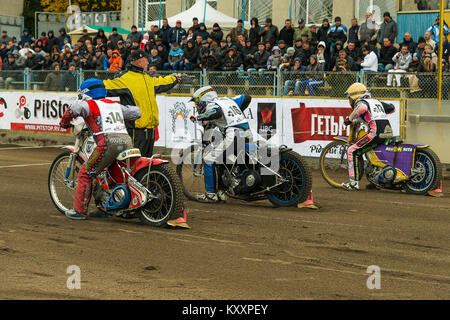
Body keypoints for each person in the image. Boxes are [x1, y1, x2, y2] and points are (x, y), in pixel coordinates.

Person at [59, 78, 141, 219]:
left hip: (108, 143)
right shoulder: (114, 104)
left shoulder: (88, 104)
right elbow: (136, 112)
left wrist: (64, 122)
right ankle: (110, 207)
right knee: (114, 176)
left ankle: (79, 211)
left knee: (85, 172)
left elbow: (74, 109)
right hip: (126, 141)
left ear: (86, 92)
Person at [104, 49, 181, 157]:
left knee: (146, 163)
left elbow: (163, 81)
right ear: (139, 62)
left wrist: (175, 78)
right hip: (136, 131)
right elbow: (106, 86)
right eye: (146, 60)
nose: (148, 63)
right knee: (135, 163)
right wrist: (89, 86)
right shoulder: (125, 79)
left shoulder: (148, 78)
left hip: (150, 131)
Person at [188, 86, 252, 202]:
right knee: (224, 159)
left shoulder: (212, 104)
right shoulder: (227, 100)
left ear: (204, 99)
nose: (197, 106)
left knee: (208, 158)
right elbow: (247, 98)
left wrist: (199, 116)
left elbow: (215, 112)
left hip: (234, 134)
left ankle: (211, 195)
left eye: (197, 102)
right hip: (246, 132)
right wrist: (237, 114)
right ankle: (222, 192)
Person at [342, 82, 394, 190]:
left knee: (352, 150)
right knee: (371, 152)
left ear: (354, 96)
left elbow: (362, 108)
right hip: (387, 131)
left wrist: (349, 119)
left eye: (350, 98)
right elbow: (392, 108)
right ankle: (376, 181)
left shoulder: (361, 102)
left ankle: (353, 184)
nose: (350, 101)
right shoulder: (375, 102)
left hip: (375, 132)